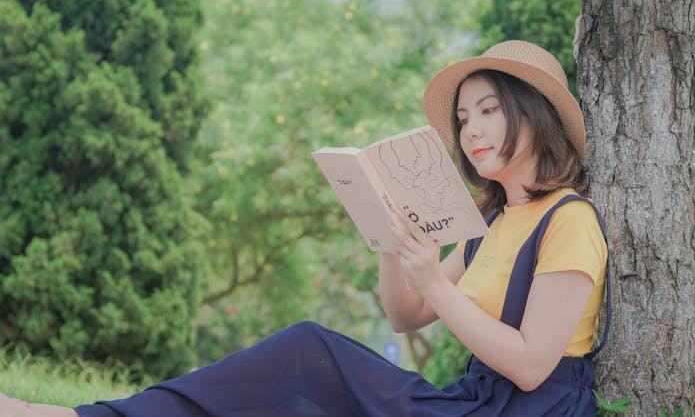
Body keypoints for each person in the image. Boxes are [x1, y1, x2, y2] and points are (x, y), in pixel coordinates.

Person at [0, 40, 610, 416]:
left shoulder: (569, 220)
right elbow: (404, 314)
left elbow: (532, 366)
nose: (471, 131)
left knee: (307, 351)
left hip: (527, 409)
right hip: (472, 401)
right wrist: (389, 233)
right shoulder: (492, 219)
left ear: (533, 115)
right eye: (462, 118)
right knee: (305, 355)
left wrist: (439, 282)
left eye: (488, 111)